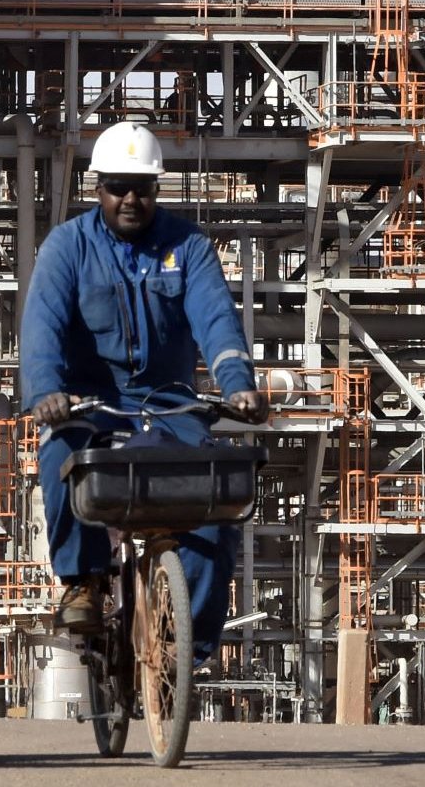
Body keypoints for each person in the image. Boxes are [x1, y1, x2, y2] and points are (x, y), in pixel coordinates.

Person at [20, 121, 269, 662]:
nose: (131, 199)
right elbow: (42, 328)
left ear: (158, 189)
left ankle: (185, 646)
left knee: (216, 504)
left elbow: (217, 322)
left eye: (144, 188)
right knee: (63, 453)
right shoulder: (68, 247)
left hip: (170, 403)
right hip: (91, 405)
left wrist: (238, 386)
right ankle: (82, 581)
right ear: (97, 188)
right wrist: (47, 391)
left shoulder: (189, 247)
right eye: (118, 187)